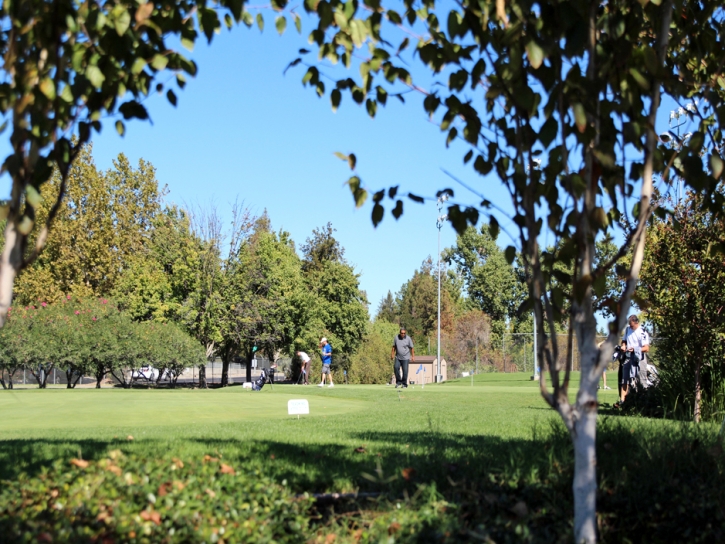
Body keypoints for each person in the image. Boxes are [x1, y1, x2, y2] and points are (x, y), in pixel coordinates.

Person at [616, 314, 650, 406]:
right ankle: (622, 402)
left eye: (632, 325)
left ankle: (644, 402)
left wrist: (635, 349)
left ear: (636, 322)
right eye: (629, 324)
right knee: (625, 379)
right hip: (628, 357)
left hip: (639, 358)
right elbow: (624, 341)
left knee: (641, 380)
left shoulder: (642, 332)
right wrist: (623, 346)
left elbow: (646, 348)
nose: (630, 326)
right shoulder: (627, 329)